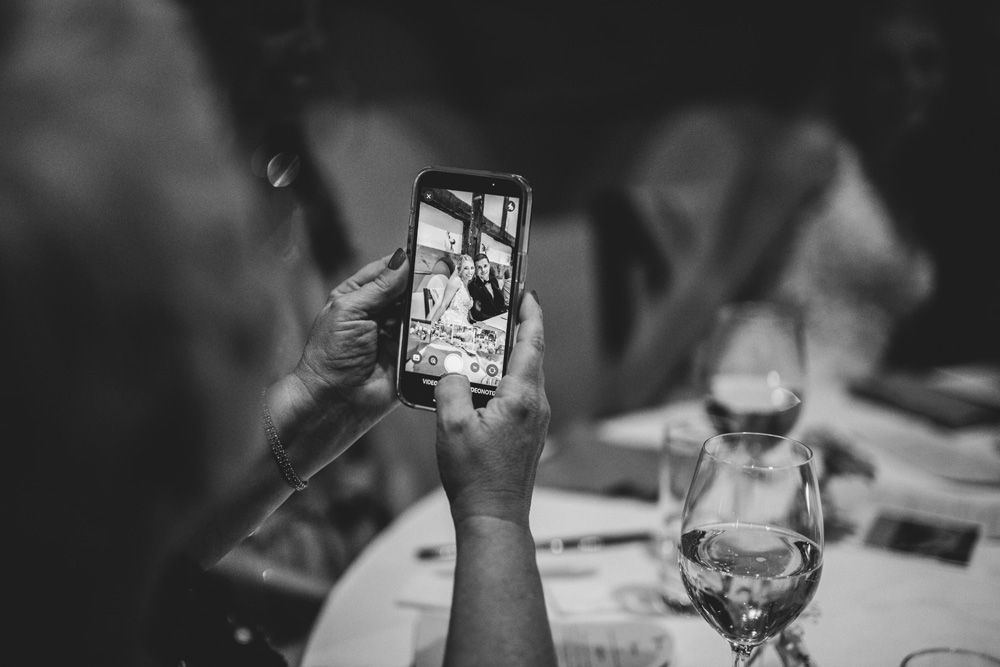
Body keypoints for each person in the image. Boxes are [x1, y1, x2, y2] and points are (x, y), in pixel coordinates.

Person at [2, 1, 557, 665]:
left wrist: (316, 401)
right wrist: (494, 515)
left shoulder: (52, 579)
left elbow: (149, 552)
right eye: (244, 200)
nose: (276, 263)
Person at [430, 253, 476, 326]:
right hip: (452, 321)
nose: (470, 272)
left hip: (462, 322)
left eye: (472, 268)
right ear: (460, 269)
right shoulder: (456, 282)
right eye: (466, 268)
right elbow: (444, 305)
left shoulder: (466, 284)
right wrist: (431, 325)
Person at [469, 252, 508, 322]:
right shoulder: (473, 286)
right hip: (486, 322)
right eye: (479, 267)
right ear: (475, 270)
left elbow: (499, 303)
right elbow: (477, 314)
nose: (483, 270)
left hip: (499, 319)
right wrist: (495, 319)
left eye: (485, 266)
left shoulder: (494, 280)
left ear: (489, 266)